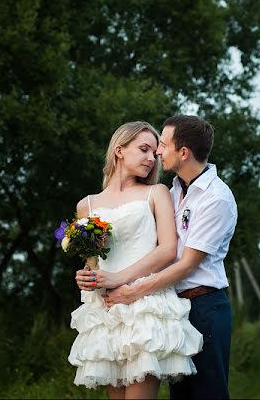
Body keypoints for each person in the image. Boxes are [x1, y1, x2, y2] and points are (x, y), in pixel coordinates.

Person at [100, 115, 237, 399]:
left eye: (162, 145)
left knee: (208, 394)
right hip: (176, 308)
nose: (158, 152)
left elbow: (186, 264)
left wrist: (131, 292)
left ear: (183, 153)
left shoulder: (216, 199)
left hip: (204, 308)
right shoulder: (174, 190)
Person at [68, 121, 204, 399]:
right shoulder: (87, 205)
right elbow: (93, 261)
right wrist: (86, 275)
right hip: (105, 310)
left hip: (145, 307)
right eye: (143, 149)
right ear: (119, 150)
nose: (150, 158)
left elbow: (167, 250)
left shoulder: (157, 193)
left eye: (154, 153)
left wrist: (120, 278)